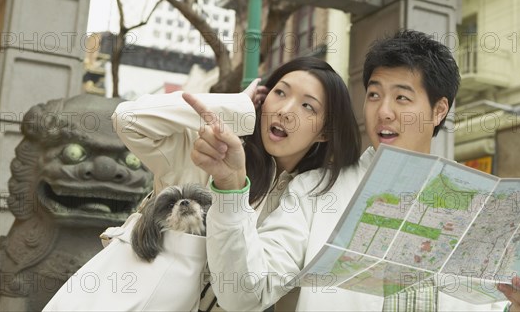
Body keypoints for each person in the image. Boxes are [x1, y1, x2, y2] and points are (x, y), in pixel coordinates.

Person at [188, 30, 520, 311]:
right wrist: (231, 187)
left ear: (439, 110)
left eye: (401, 97)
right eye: (375, 94)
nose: (384, 112)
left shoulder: (481, 210)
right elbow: (242, 292)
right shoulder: (316, 191)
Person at [111, 56, 362, 309]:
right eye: (280, 92)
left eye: (308, 106)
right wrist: (238, 107)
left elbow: (251, 291)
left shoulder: (310, 201)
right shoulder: (207, 149)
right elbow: (128, 119)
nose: (285, 111)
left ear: (325, 131)